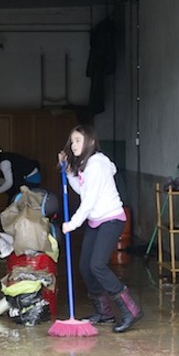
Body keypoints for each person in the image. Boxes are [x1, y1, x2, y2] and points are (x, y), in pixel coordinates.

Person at [59, 124, 142, 333]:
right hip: (97, 220)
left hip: (111, 219)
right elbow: (82, 190)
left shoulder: (97, 164)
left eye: (78, 140)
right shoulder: (86, 165)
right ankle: (104, 313)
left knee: (97, 265)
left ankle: (130, 309)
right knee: (85, 267)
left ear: (91, 142)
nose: (73, 144)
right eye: (72, 141)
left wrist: (72, 224)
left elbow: (88, 202)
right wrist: (69, 172)